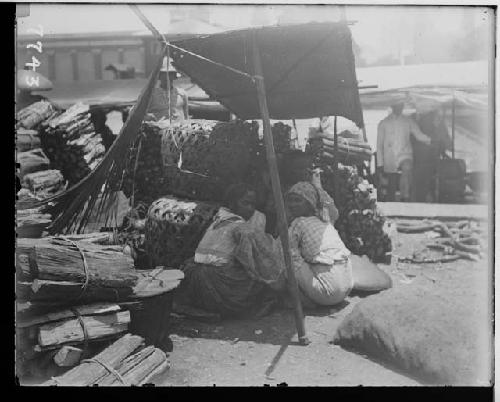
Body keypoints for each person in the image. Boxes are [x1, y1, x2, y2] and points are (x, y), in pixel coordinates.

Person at [178, 183, 286, 317]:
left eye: (253, 205)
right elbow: (253, 262)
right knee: (262, 275)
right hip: (218, 286)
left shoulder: (217, 220)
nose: (250, 209)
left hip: (193, 282)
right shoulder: (242, 228)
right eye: (245, 203)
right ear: (232, 202)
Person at [284, 181, 353, 307]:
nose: (292, 205)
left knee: (286, 257)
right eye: (291, 201)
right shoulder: (325, 221)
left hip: (328, 294)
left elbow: (289, 252)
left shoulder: (298, 223)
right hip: (347, 287)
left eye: (297, 200)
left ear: (310, 203)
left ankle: (300, 299)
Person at [377, 101, 431, 202]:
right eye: (397, 105)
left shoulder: (408, 121)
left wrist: (430, 140)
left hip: (405, 153)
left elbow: (418, 135)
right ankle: (391, 202)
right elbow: (379, 145)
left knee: (407, 168)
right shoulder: (384, 123)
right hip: (390, 155)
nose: (399, 107)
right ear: (392, 106)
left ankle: (404, 196)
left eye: (401, 105)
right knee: (391, 180)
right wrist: (380, 163)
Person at [411, 109, 452, 202]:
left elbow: (448, 144)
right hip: (423, 160)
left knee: (422, 184)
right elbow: (448, 144)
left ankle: (423, 199)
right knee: (423, 183)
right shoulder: (416, 123)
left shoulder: (437, 126)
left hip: (427, 160)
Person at [146, 58, 189, 122]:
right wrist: (148, 117)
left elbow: (186, 117)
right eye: (164, 74)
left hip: (178, 129)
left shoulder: (182, 94)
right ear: (160, 76)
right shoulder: (151, 94)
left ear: (174, 77)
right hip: (159, 129)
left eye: (170, 74)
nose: (167, 77)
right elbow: (134, 111)